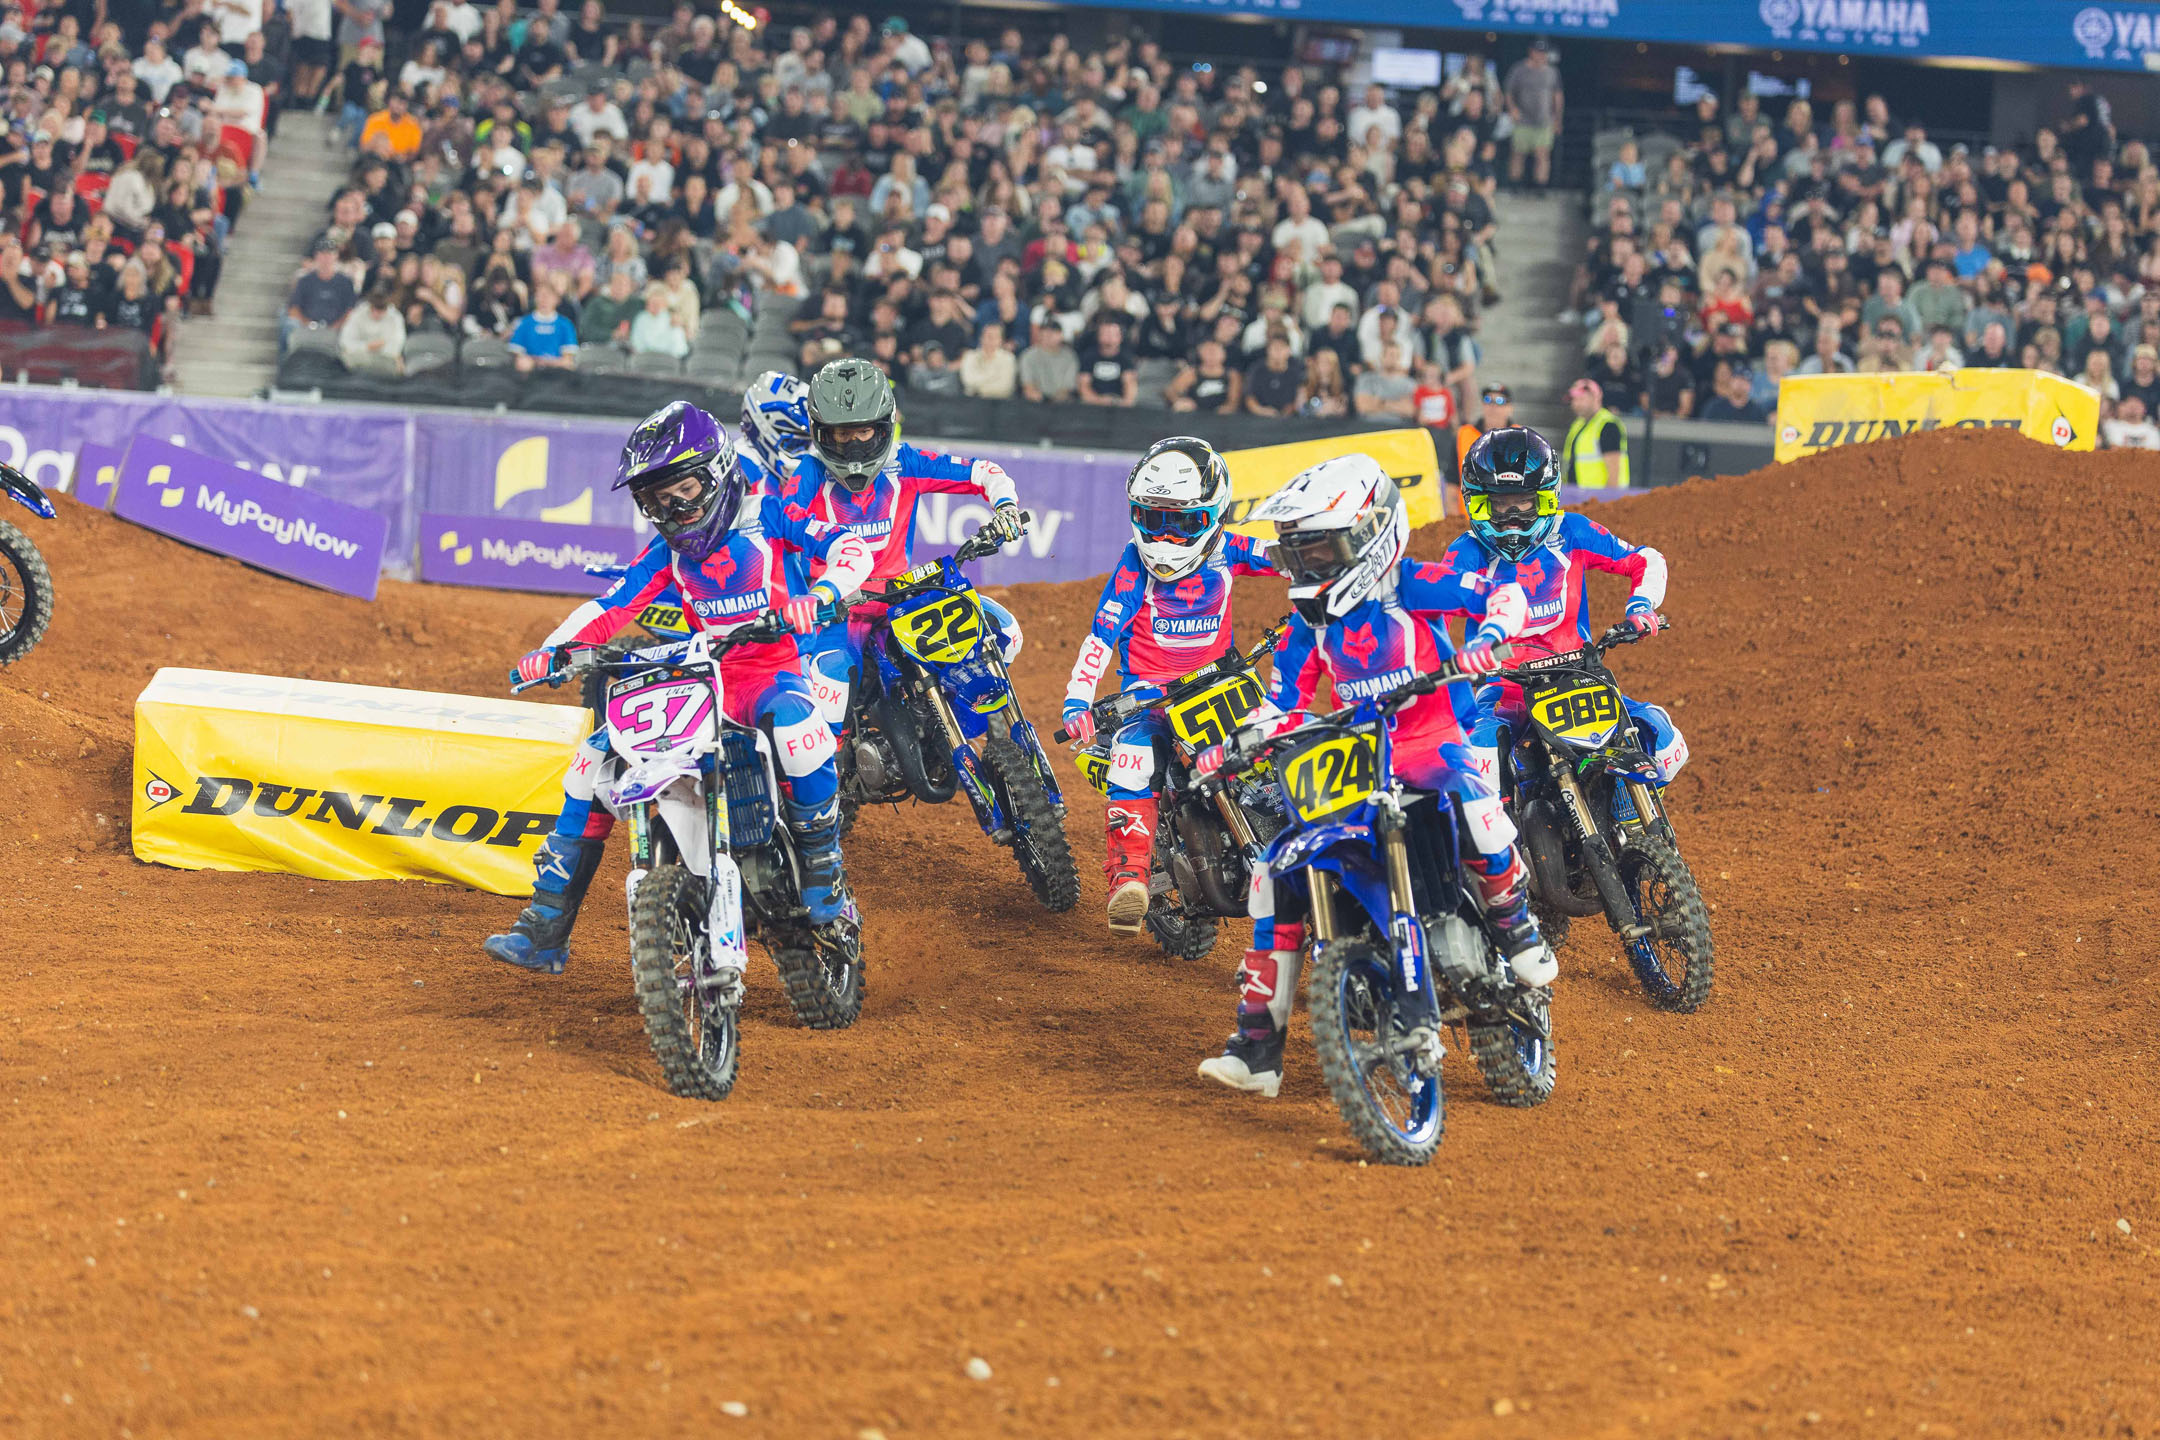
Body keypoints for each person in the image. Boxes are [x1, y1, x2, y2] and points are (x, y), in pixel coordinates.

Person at [1191, 454, 1543, 1098]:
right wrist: (1234, 743)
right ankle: (1256, 1047)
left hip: (1434, 738)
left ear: (1372, 533)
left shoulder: (1412, 584)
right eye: (1298, 555)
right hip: (1358, 756)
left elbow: (1504, 593)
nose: (1308, 567)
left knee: (1473, 802)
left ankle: (1513, 920)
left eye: (1320, 550)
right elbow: (1284, 702)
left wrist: (1489, 635)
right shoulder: (1309, 625)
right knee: (1272, 871)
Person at [483, 402, 876, 973]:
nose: (671, 511)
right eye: (655, 501)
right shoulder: (665, 552)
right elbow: (612, 604)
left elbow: (850, 548)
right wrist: (555, 650)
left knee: (797, 729)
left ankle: (822, 868)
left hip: (768, 673)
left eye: (682, 493)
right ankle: (545, 927)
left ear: (717, 474)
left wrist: (823, 594)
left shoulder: (768, 515)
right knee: (592, 762)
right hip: (701, 678)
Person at [1447, 428, 1687, 940]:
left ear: (1548, 498)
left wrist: (1641, 606)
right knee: (1480, 757)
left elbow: (1646, 559)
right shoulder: (1466, 552)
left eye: (1524, 503)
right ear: (1476, 503)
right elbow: (1433, 608)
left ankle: (1627, 822)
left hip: (1577, 676)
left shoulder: (1571, 533)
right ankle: (1498, 876)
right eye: (1498, 505)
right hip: (1505, 689)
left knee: (1659, 734)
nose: (1512, 517)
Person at [1060, 438, 1280, 932]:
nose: (1166, 536)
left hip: (1223, 682)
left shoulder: (1229, 548)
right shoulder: (1133, 565)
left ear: (1214, 515)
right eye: (1153, 519)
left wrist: (1334, 570)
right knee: (1134, 761)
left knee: (1281, 736)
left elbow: (1285, 557)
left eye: (1183, 523)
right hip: (1149, 697)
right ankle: (1129, 879)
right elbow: (1101, 634)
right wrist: (1078, 699)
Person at [782, 358, 1028, 728]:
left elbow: (984, 472)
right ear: (822, 433)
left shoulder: (905, 461)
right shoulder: (810, 472)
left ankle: (959, 721)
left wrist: (1006, 507)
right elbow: (785, 524)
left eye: (863, 431)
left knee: (1006, 633)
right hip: (839, 609)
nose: (854, 446)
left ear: (883, 426)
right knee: (829, 696)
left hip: (900, 595)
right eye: (842, 434)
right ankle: (836, 763)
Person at [1560, 377, 1629, 488]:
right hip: (1579, 494)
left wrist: (1610, 497)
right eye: (1574, 400)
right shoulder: (1578, 425)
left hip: (1598, 496)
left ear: (1596, 398)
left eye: (1581, 399)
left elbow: (1614, 471)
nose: (1576, 404)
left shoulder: (1608, 425)